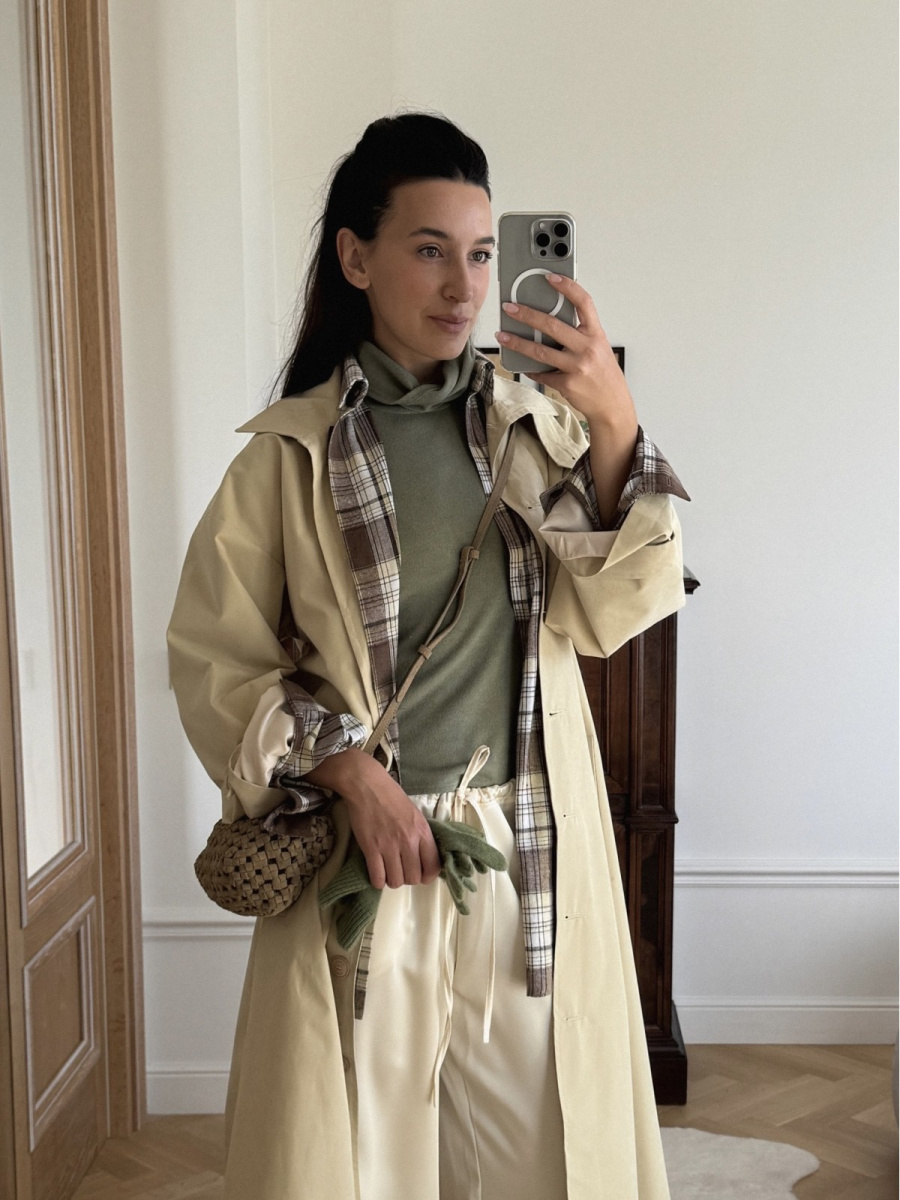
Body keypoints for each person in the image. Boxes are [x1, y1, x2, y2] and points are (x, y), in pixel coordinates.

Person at [166, 112, 690, 1200]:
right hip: (371, 853)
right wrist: (353, 776)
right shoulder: (289, 456)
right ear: (356, 258)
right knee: (367, 1164)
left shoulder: (530, 432)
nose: (464, 286)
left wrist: (614, 421)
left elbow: (616, 611)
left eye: (483, 254)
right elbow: (217, 661)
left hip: (525, 845)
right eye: (430, 250)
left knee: (544, 1156)